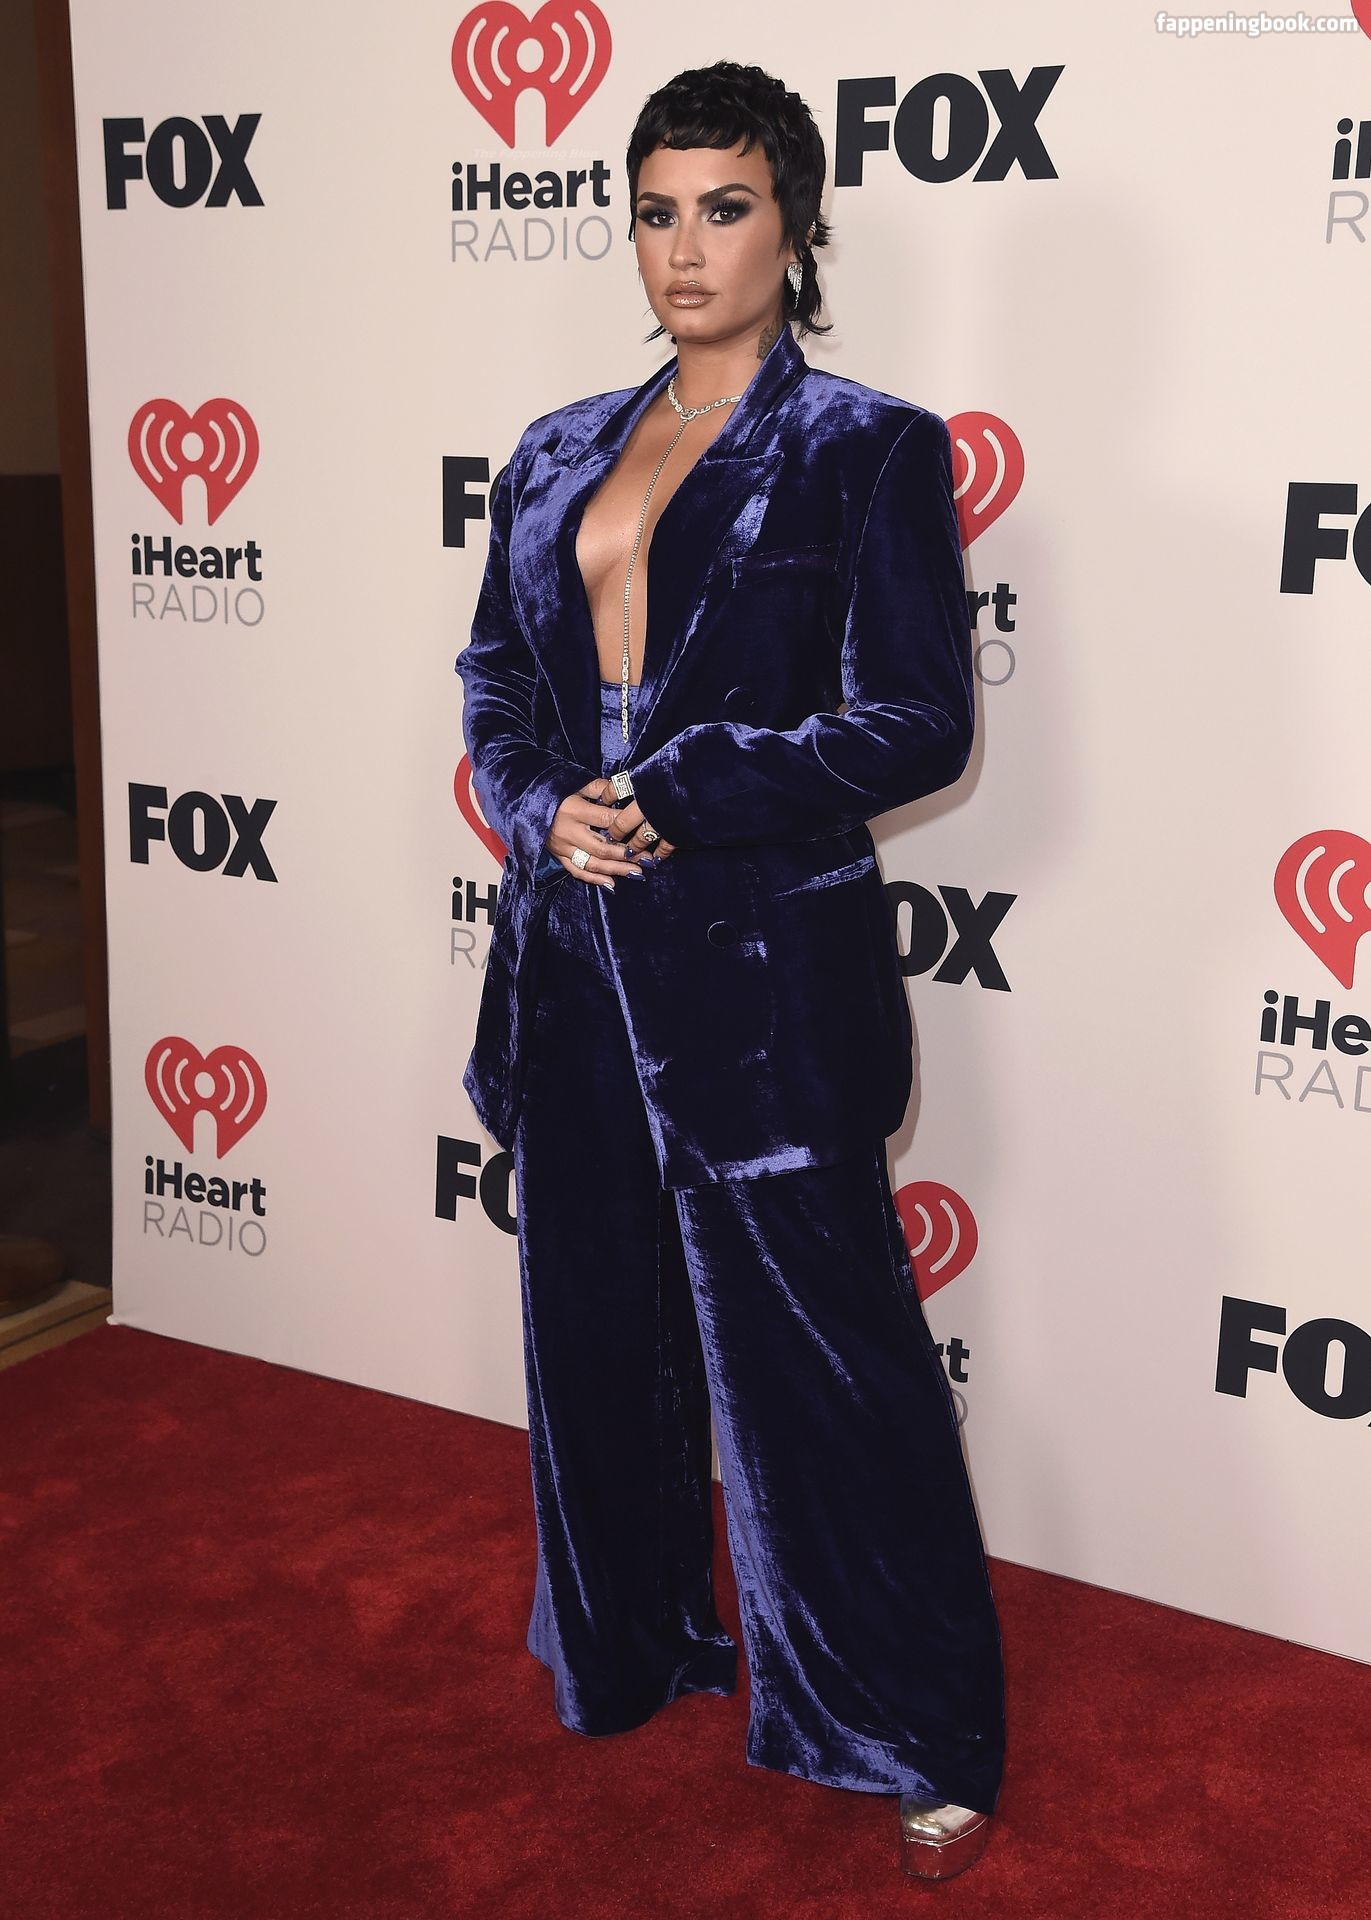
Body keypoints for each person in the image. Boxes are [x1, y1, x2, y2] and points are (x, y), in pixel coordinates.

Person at [454, 60, 1006, 1882]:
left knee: (828, 1370)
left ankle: (912, 1722)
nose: (684, 249)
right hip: (571, 955)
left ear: (795, 224)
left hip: (758, 976)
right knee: (592, 1333)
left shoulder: (868, 447)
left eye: (725, 208)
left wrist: (686, 789)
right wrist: (540, 807)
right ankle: (631, 1647)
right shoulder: (555, 450)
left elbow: (917, 721)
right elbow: (497, 681)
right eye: (656, 211)